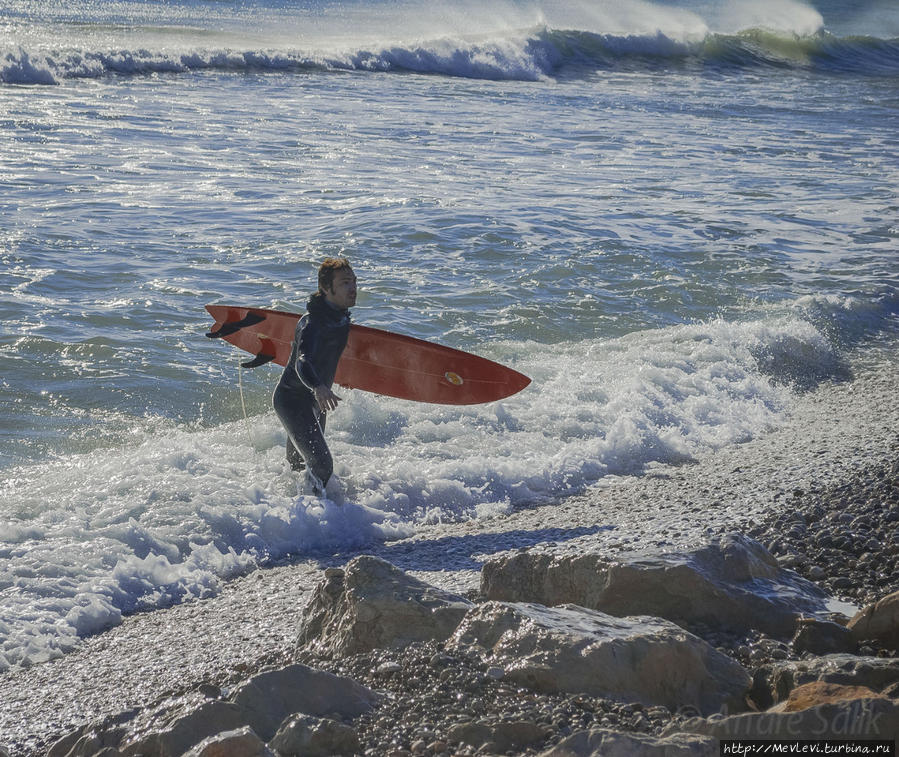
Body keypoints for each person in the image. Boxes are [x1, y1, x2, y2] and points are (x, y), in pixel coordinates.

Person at [273, 257, 357, 497]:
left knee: (300, 467)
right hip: (293, 400)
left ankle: (291, 506)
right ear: (325, 288)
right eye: (345, 283)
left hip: (315, 401)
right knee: (322, 465)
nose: (353, 288)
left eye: (354, 281)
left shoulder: (339, 318)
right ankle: (318, 515)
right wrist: (318, 386)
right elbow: (303, 360)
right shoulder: (312, 324)